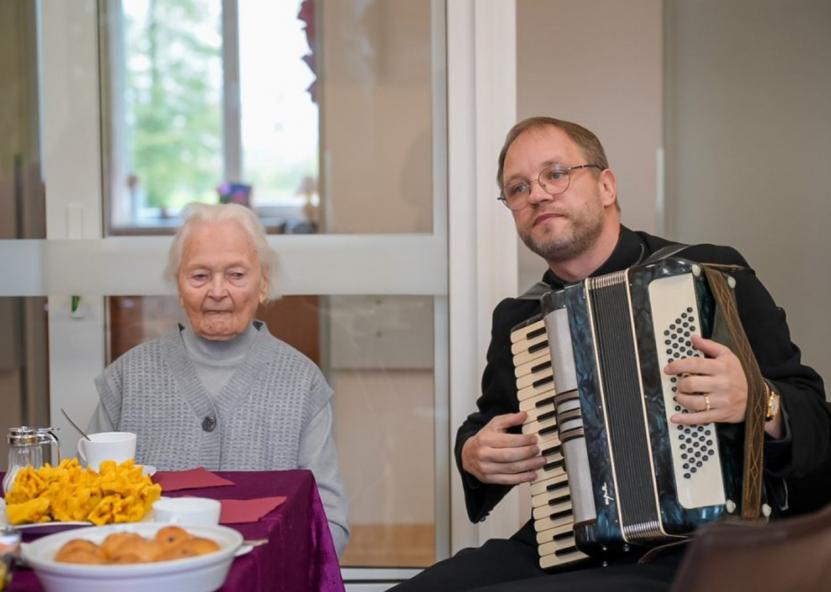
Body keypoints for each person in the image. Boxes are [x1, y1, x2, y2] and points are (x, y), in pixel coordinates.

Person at [392, 117, 830, 591]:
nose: (537, 194)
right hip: (574, 547)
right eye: (517, 188)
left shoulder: (714, 273)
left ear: (606, 185)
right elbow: (493, 422)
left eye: (555, 174)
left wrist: (757, 401)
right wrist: (476, 453)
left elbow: (816, 421)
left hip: (708, 547)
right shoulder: (522, 319)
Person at [87, 203, 350, 556]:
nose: (217, 291)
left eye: (236, 275)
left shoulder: (302, 382)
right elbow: (87, 503)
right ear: (178, 285)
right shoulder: (127, 377)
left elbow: (330, 523)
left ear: (263, 282)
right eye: (199, 276)